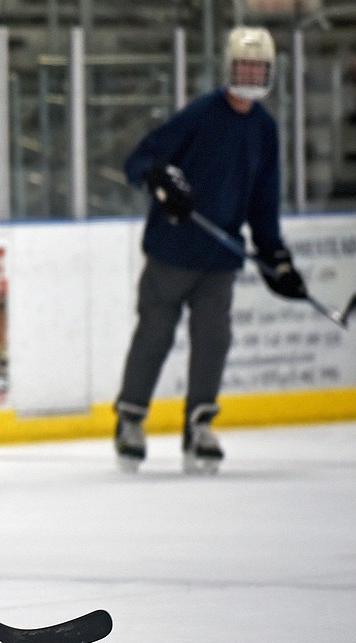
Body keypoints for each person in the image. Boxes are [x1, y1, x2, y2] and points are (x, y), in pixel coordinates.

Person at [114, 26, 308, 475]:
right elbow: (140, 160)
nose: (250, 74)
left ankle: (199, 424)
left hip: (220, 260)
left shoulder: (264, 129)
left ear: (271, 72)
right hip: (172, 251)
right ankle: (130, 419)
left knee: (214, 340)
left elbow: (263, 201)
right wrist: (160, 180)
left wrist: (276, 256)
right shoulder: (201, 114)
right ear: (227, 67)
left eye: (258, 68)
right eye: (243, 65)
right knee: (155, 336)